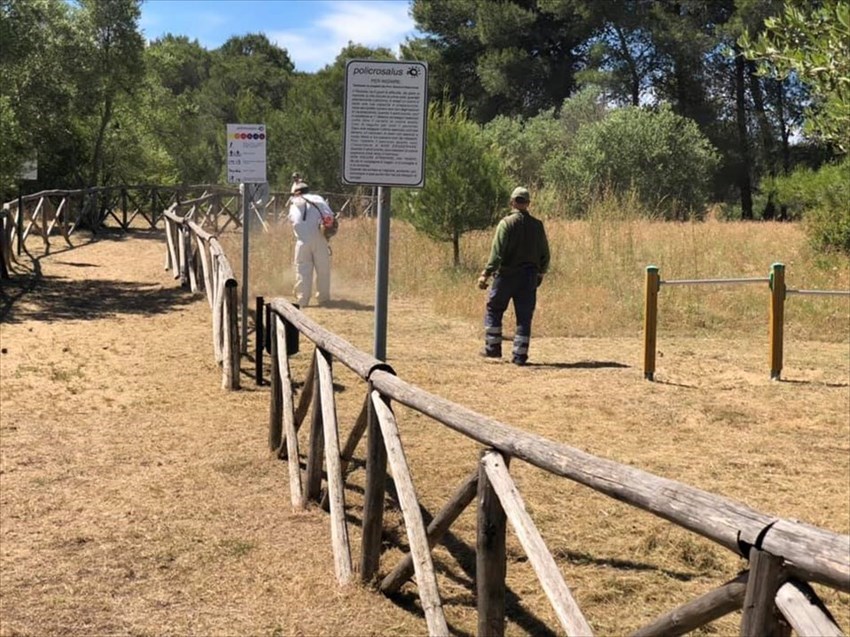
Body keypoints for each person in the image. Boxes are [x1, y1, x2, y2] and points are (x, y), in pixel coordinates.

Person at [477, 186, 550, 366]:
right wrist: (540, 273)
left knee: (494, 309)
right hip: (529, 276)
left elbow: (497, 253)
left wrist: (485, 273)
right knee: (524, 316)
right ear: (528, 203)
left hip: (507, 275)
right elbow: (545, 254)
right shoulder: (537, 225)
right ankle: (520, 356)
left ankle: (493, 349)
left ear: (512, 202)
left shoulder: (506, 223)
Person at [287, 180, 335, 307]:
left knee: (302, 270)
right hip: (321, 238)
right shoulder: (319, 200)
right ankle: (323, 299)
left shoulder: (293, 204)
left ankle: (302, 300)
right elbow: (330, 217)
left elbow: (292, 220)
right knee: (323, 270)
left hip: (302, 241)